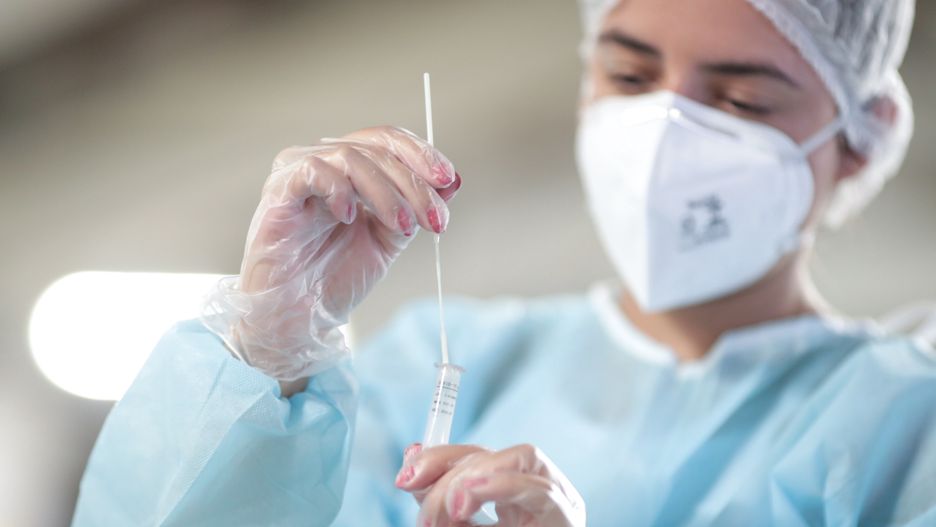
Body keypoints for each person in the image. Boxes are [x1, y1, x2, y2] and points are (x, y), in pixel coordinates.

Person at [73, 0, 935, 525]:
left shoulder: (903, 430)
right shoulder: (432, 369)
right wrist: (270, 355)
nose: (666, 137)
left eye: (739, 99)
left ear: (859, 140)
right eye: (631, 78)